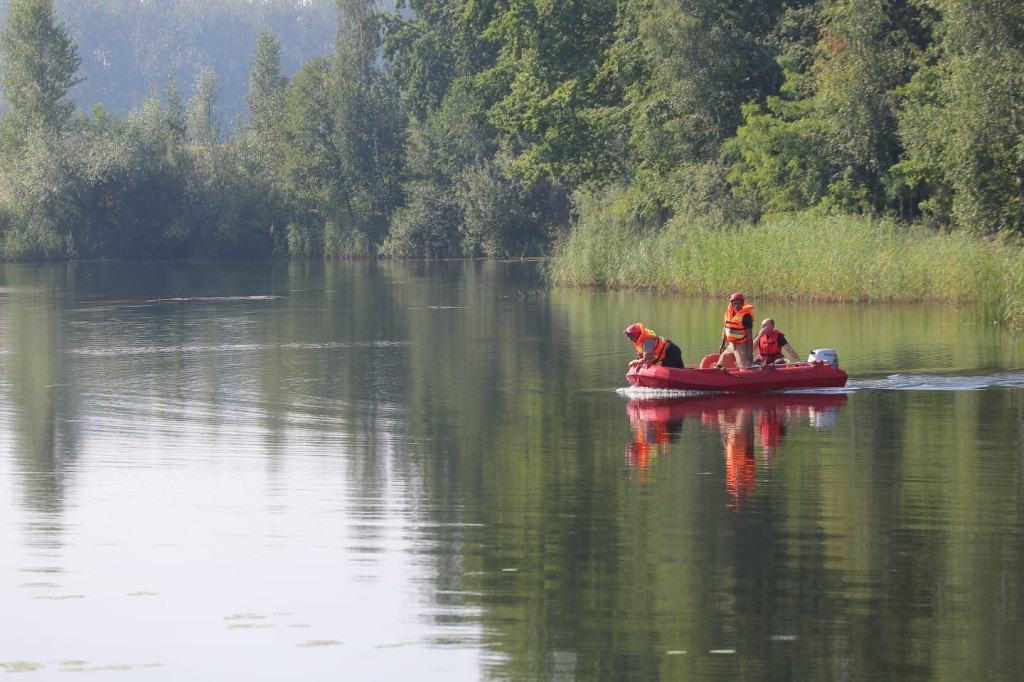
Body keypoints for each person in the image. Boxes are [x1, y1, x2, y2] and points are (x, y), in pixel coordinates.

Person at [717, 292, 754, 368]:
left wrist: (750, 353)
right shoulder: (728, 314)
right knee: (719, 366)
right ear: (731, 304)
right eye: (734, 304)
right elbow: (725, 329)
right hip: (731, 345)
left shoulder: (746, 316)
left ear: (742, 303)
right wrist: (722, 344)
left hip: (742, 346)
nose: (736, 306)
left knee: (745, 368)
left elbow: (750, 337)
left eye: (738, 303)